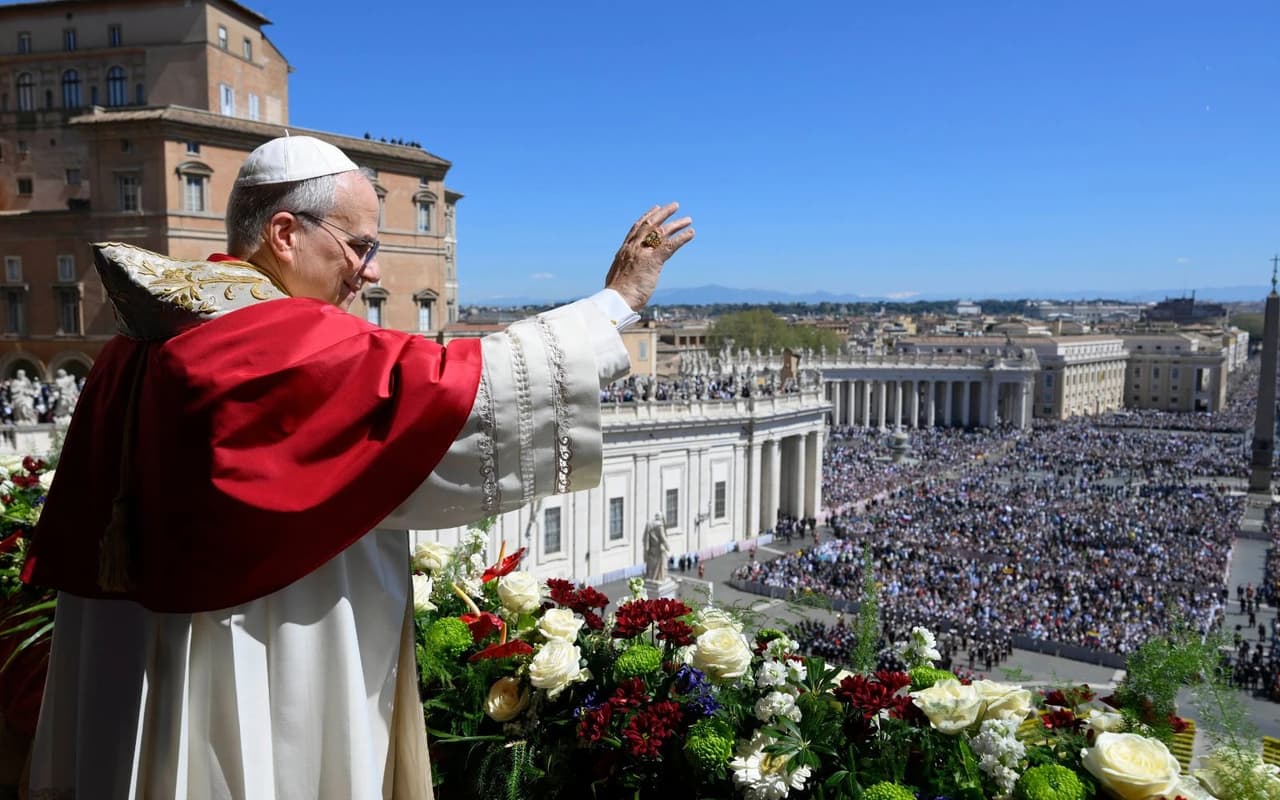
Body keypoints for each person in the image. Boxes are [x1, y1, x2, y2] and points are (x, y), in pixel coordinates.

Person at [23, 135, 694, 799]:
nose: (369, 271)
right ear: (285, 233)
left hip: (138, 645)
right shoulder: (269, 338)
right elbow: (451, 390)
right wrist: (617, 302)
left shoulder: (152, 327)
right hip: (258, 647)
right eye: (359, 246)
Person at [644, 513, 669, 582]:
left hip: (651, 548)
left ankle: (651, 576)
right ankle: (657, 577)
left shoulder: (649, 524)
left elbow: (645, 538)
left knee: (651, 564)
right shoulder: (659, 526)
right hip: (658, 549)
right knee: (659, 565)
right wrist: (667, 547)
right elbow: (663, 538)